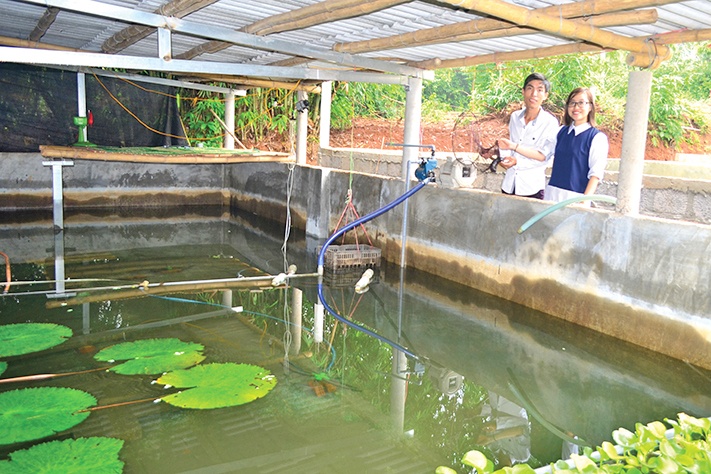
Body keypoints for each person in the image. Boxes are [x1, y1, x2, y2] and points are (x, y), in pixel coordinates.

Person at [496, 72, 559, 200]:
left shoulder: (550, 122)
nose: (534, 94)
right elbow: (510, 147)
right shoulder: (515, 117)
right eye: (530, 88)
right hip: (509, 184)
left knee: (531, 220)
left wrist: (516, 156)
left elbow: (543, 156)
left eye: (540, 90)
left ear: (546, 95)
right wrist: (502, 157)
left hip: (531, 187)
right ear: (523, 91)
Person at [545, 87, 609, 203]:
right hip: (552, 195)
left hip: (576, 198)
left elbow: (596, 174)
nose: (576, 107)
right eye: (572, 103)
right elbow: (542, 155)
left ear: (590, 107)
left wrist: (584, 201)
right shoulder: (560, 132)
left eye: (581, 103)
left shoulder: (597, 138)